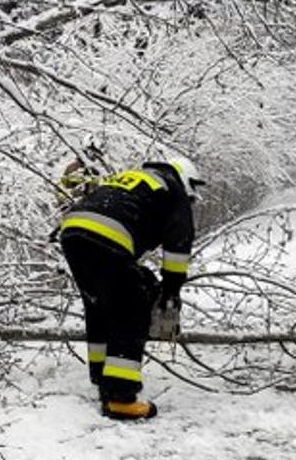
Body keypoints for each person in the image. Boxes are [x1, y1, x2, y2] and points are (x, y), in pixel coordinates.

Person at [55, 158, 202, 419]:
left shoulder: (132, 178)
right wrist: (170, 293)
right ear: (187, 182)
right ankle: (121, 398)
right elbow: (178, 247)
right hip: (106, 236)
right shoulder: (172, 188)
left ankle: (103, 379)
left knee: (98, 304)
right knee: (132, 308)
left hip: (73, 232)